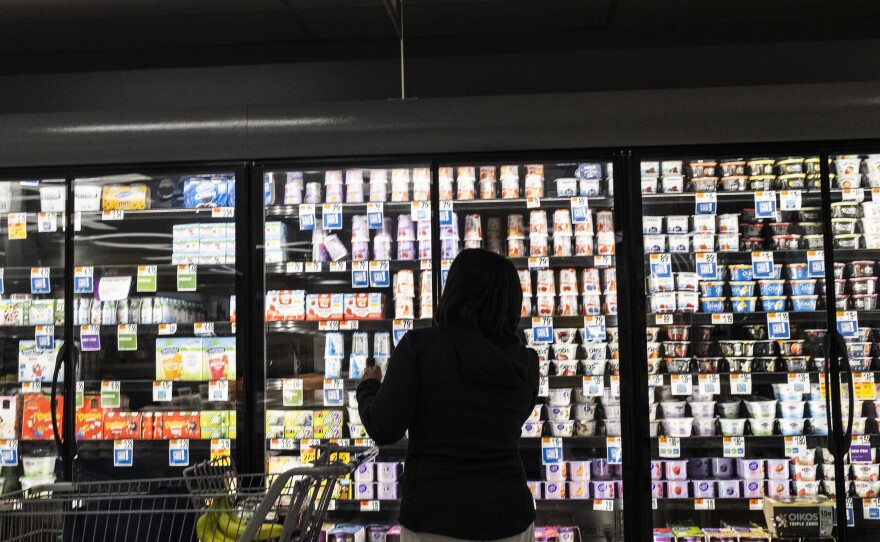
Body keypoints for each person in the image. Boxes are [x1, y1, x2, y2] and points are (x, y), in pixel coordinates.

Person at [357, 249, 539, 542]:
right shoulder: (526, 363)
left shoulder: (420, 348)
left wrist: (368, 387)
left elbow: (383, 428)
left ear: (454, 290)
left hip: (433, 518)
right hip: (510, 517)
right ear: (512, 302)